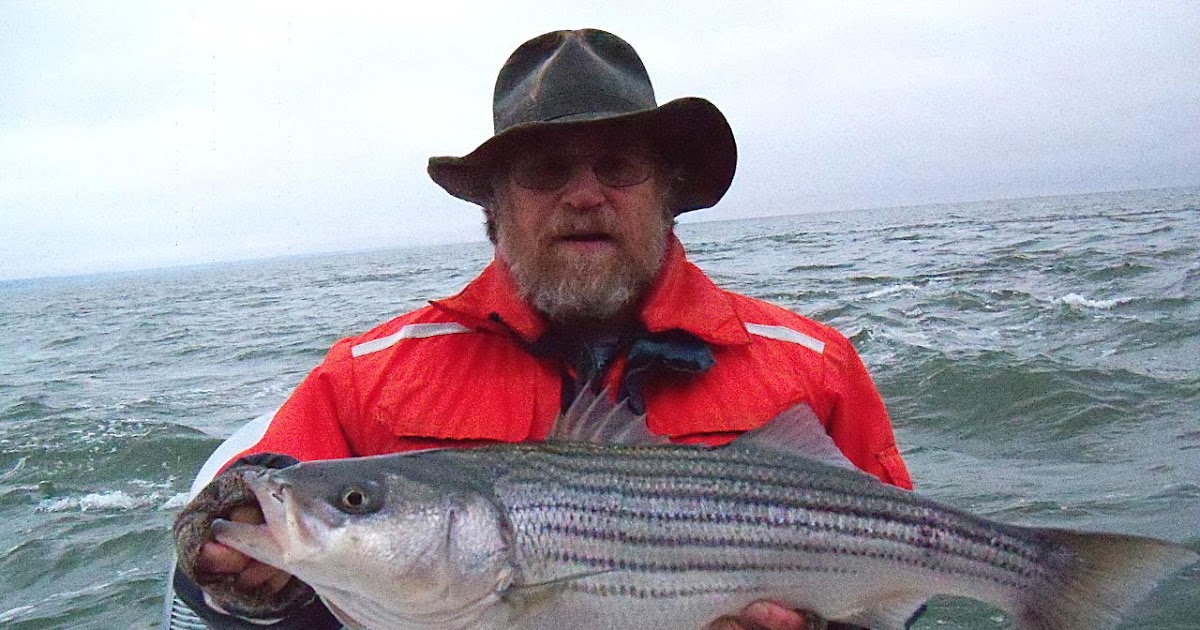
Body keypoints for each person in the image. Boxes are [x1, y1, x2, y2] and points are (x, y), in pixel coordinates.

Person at [172, 28, 914, 630]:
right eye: (546, 170)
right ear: (494, 206)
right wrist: (236, 570)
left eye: (617, 167)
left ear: (666, 194)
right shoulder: (365, 379)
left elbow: (901, 593)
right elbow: (259, 570)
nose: (584, 196)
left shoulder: (813, 367)